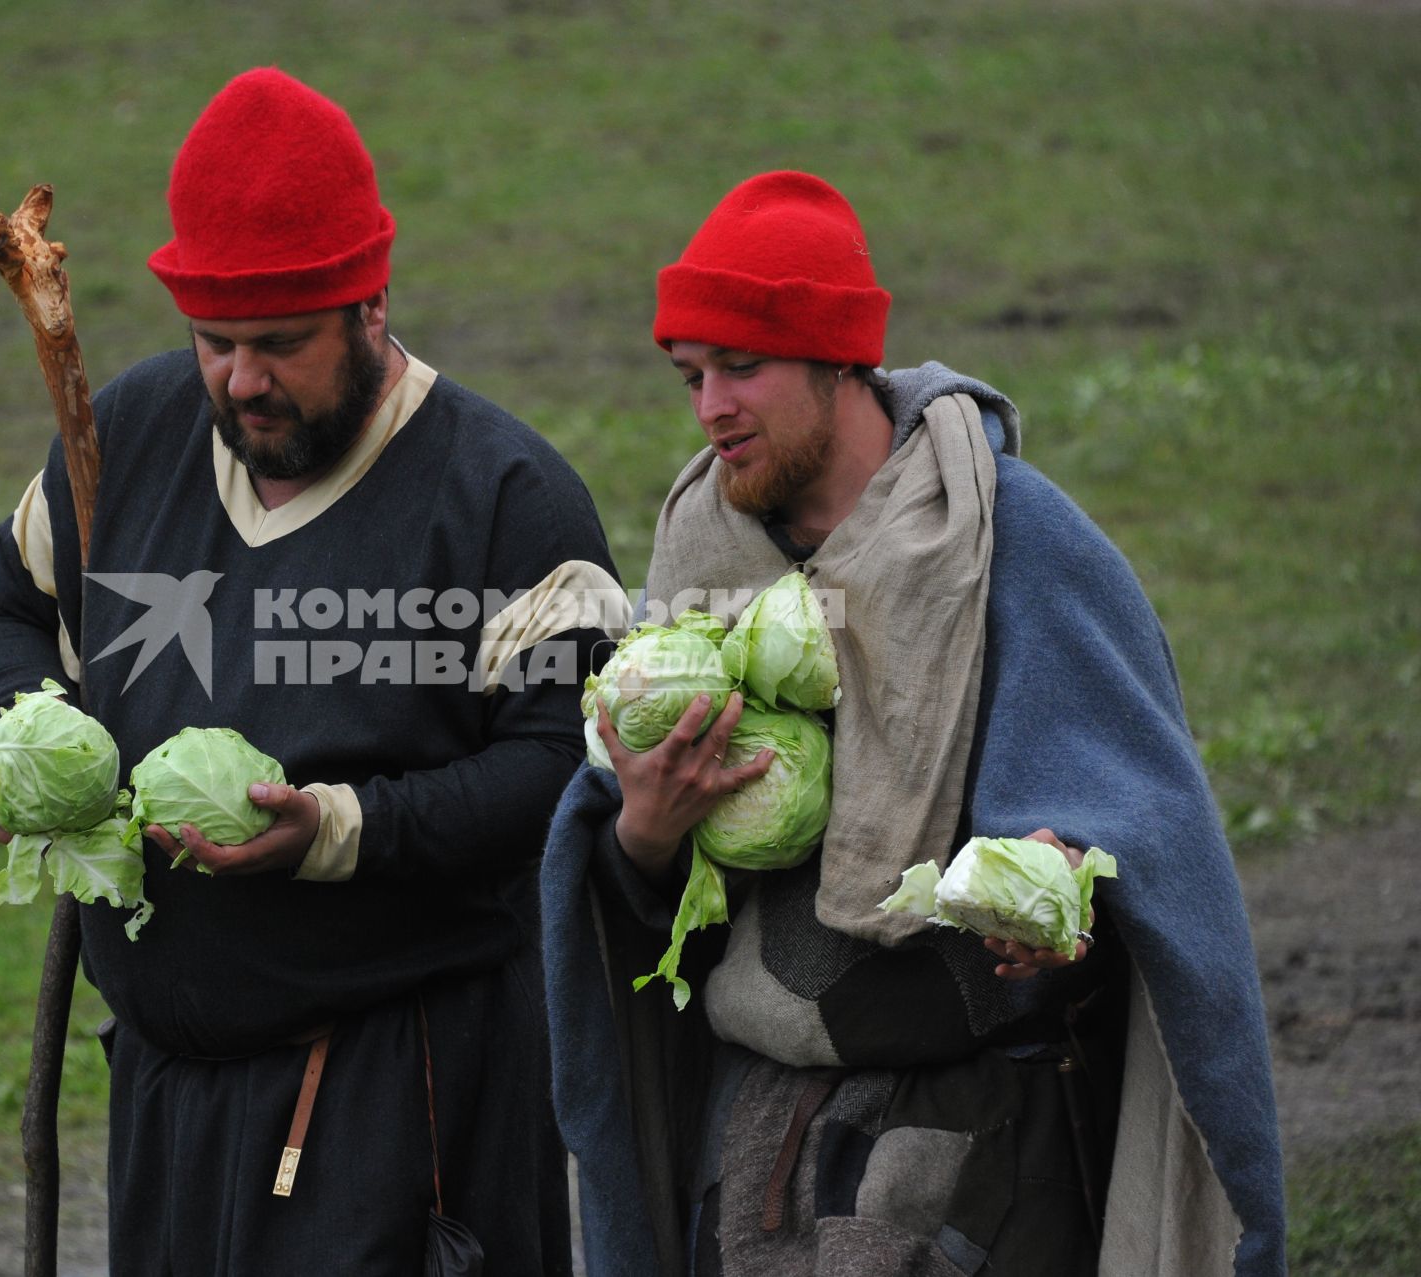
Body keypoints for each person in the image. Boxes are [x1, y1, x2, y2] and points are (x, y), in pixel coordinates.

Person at [540, 172, 1286, 1275]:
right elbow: (643, 897)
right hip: (749, 1130)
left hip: (983, 1140)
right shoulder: (706, 553)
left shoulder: (1011, 540)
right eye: (692, 376)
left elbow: (1148, 839)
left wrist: (1056, 888)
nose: (710, 409)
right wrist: (645, 835)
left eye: (742, 367)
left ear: (840, 356)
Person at [0, 67, 624, 1276]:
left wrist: (338, 827)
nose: (243, 381)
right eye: (216, 342)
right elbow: (4, 607)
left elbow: (560, 767)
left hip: (400, 1098)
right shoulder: (136, 433)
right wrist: (34, 738)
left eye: (281, 344)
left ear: (370, 305)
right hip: (163, 1094)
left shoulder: (505, 498)